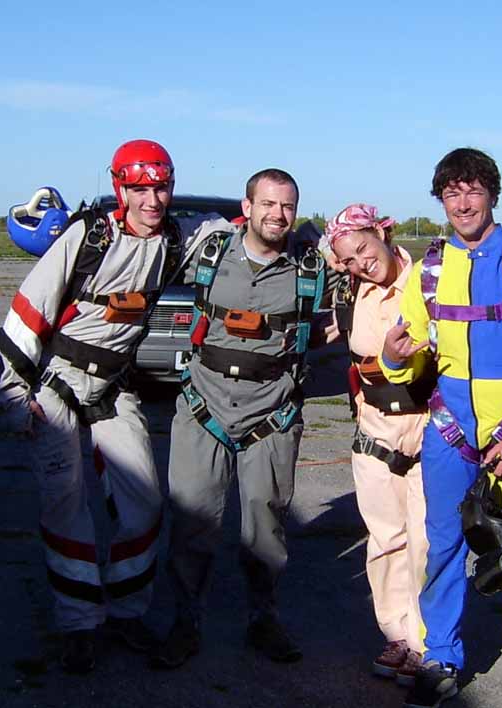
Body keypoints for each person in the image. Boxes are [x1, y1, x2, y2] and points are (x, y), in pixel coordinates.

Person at [0, 139, 229, 674]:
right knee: (65, 504)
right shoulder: (87, 236)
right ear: (120, 188)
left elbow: (236, 225)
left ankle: (126, 611)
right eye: (140, 189)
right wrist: (12, 394)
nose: (152, 200)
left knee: (143, 503)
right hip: (56, 384)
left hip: (114, 386)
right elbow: (29, 311)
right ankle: (79, 623)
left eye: (161, 188)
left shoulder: (177, 237)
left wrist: (316, 238)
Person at [380, 148, 502, 708]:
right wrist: (394, 359)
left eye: (473, 191)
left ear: (493, 195)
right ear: (441, 200)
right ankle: (441, 657)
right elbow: (410, 356)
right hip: (449, 435)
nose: (463, 204)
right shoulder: (430, 271)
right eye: (452, 193)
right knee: (442, 548)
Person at [151, 168, 331, 669]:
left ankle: (263, 618)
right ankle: (186, 621)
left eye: (288, 206)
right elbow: (143, 250)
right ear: (247, 207)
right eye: (268, 204)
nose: (278, 215)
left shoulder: (314, 266)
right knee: (192, 519)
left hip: (272, 413)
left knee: (265, 524)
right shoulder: (207, 252)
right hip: (203, 407)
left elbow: (375, 272)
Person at [323, 204, 433, 686]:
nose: (360, 264)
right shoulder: (349, 293)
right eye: (348, 259)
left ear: (383, 233)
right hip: (374, 432)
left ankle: (426, 641)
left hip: (428, 428)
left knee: (426, 542)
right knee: (386, 540)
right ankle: (396, 634)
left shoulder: (430, 282)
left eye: (363, 249)